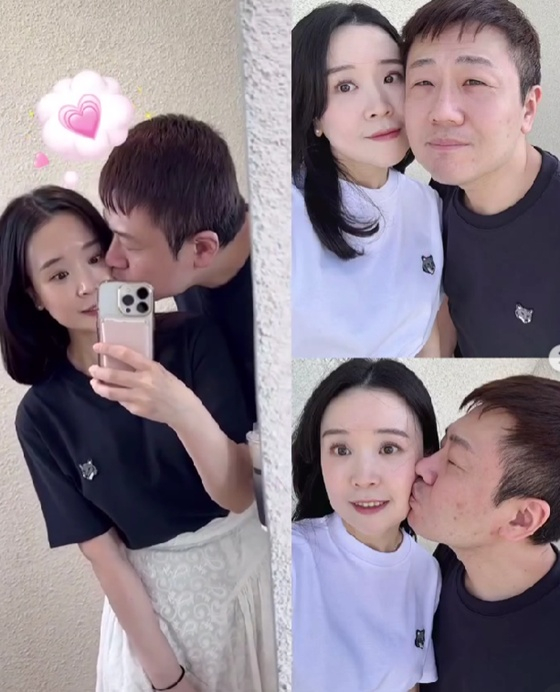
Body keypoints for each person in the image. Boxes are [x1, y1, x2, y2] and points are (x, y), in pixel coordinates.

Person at [0, 186, 275, 692]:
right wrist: (167, 679)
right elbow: (103, 555)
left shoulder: (192, 339)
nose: (88, 285)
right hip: (152, 621)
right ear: (33, 296)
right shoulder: (41, 417)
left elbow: (240, 492)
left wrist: (175, 405)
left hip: (249, 585)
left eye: (95, 257)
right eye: (58, 275)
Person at [402, 0, 560, 357]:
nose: (443, 112)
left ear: (528, 108)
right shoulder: (439, 196)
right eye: (423, 82)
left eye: (474, 81)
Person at [292, 3, 443, 359]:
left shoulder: (427, 204)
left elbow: (425, 334)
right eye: (345, 86)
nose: (379, 106)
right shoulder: (285, 215)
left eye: (391, 77)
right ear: (314, 116)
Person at [292, 358, 442, 692]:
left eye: (389, 448)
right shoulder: (291, 557)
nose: (363, 477)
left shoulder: (427, 572)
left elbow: (411, 684)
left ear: (426, 457)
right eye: (340, 449)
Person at [98, 114, 257, 423]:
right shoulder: (187, 263)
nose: (111, 258)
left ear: (202, 249)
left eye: (129, 244)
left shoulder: (293, 297)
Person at [409, 374, 560, 691]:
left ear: (521, 519)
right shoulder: (455, 551)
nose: (422, 467)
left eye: (453, 462)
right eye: (443, 444)